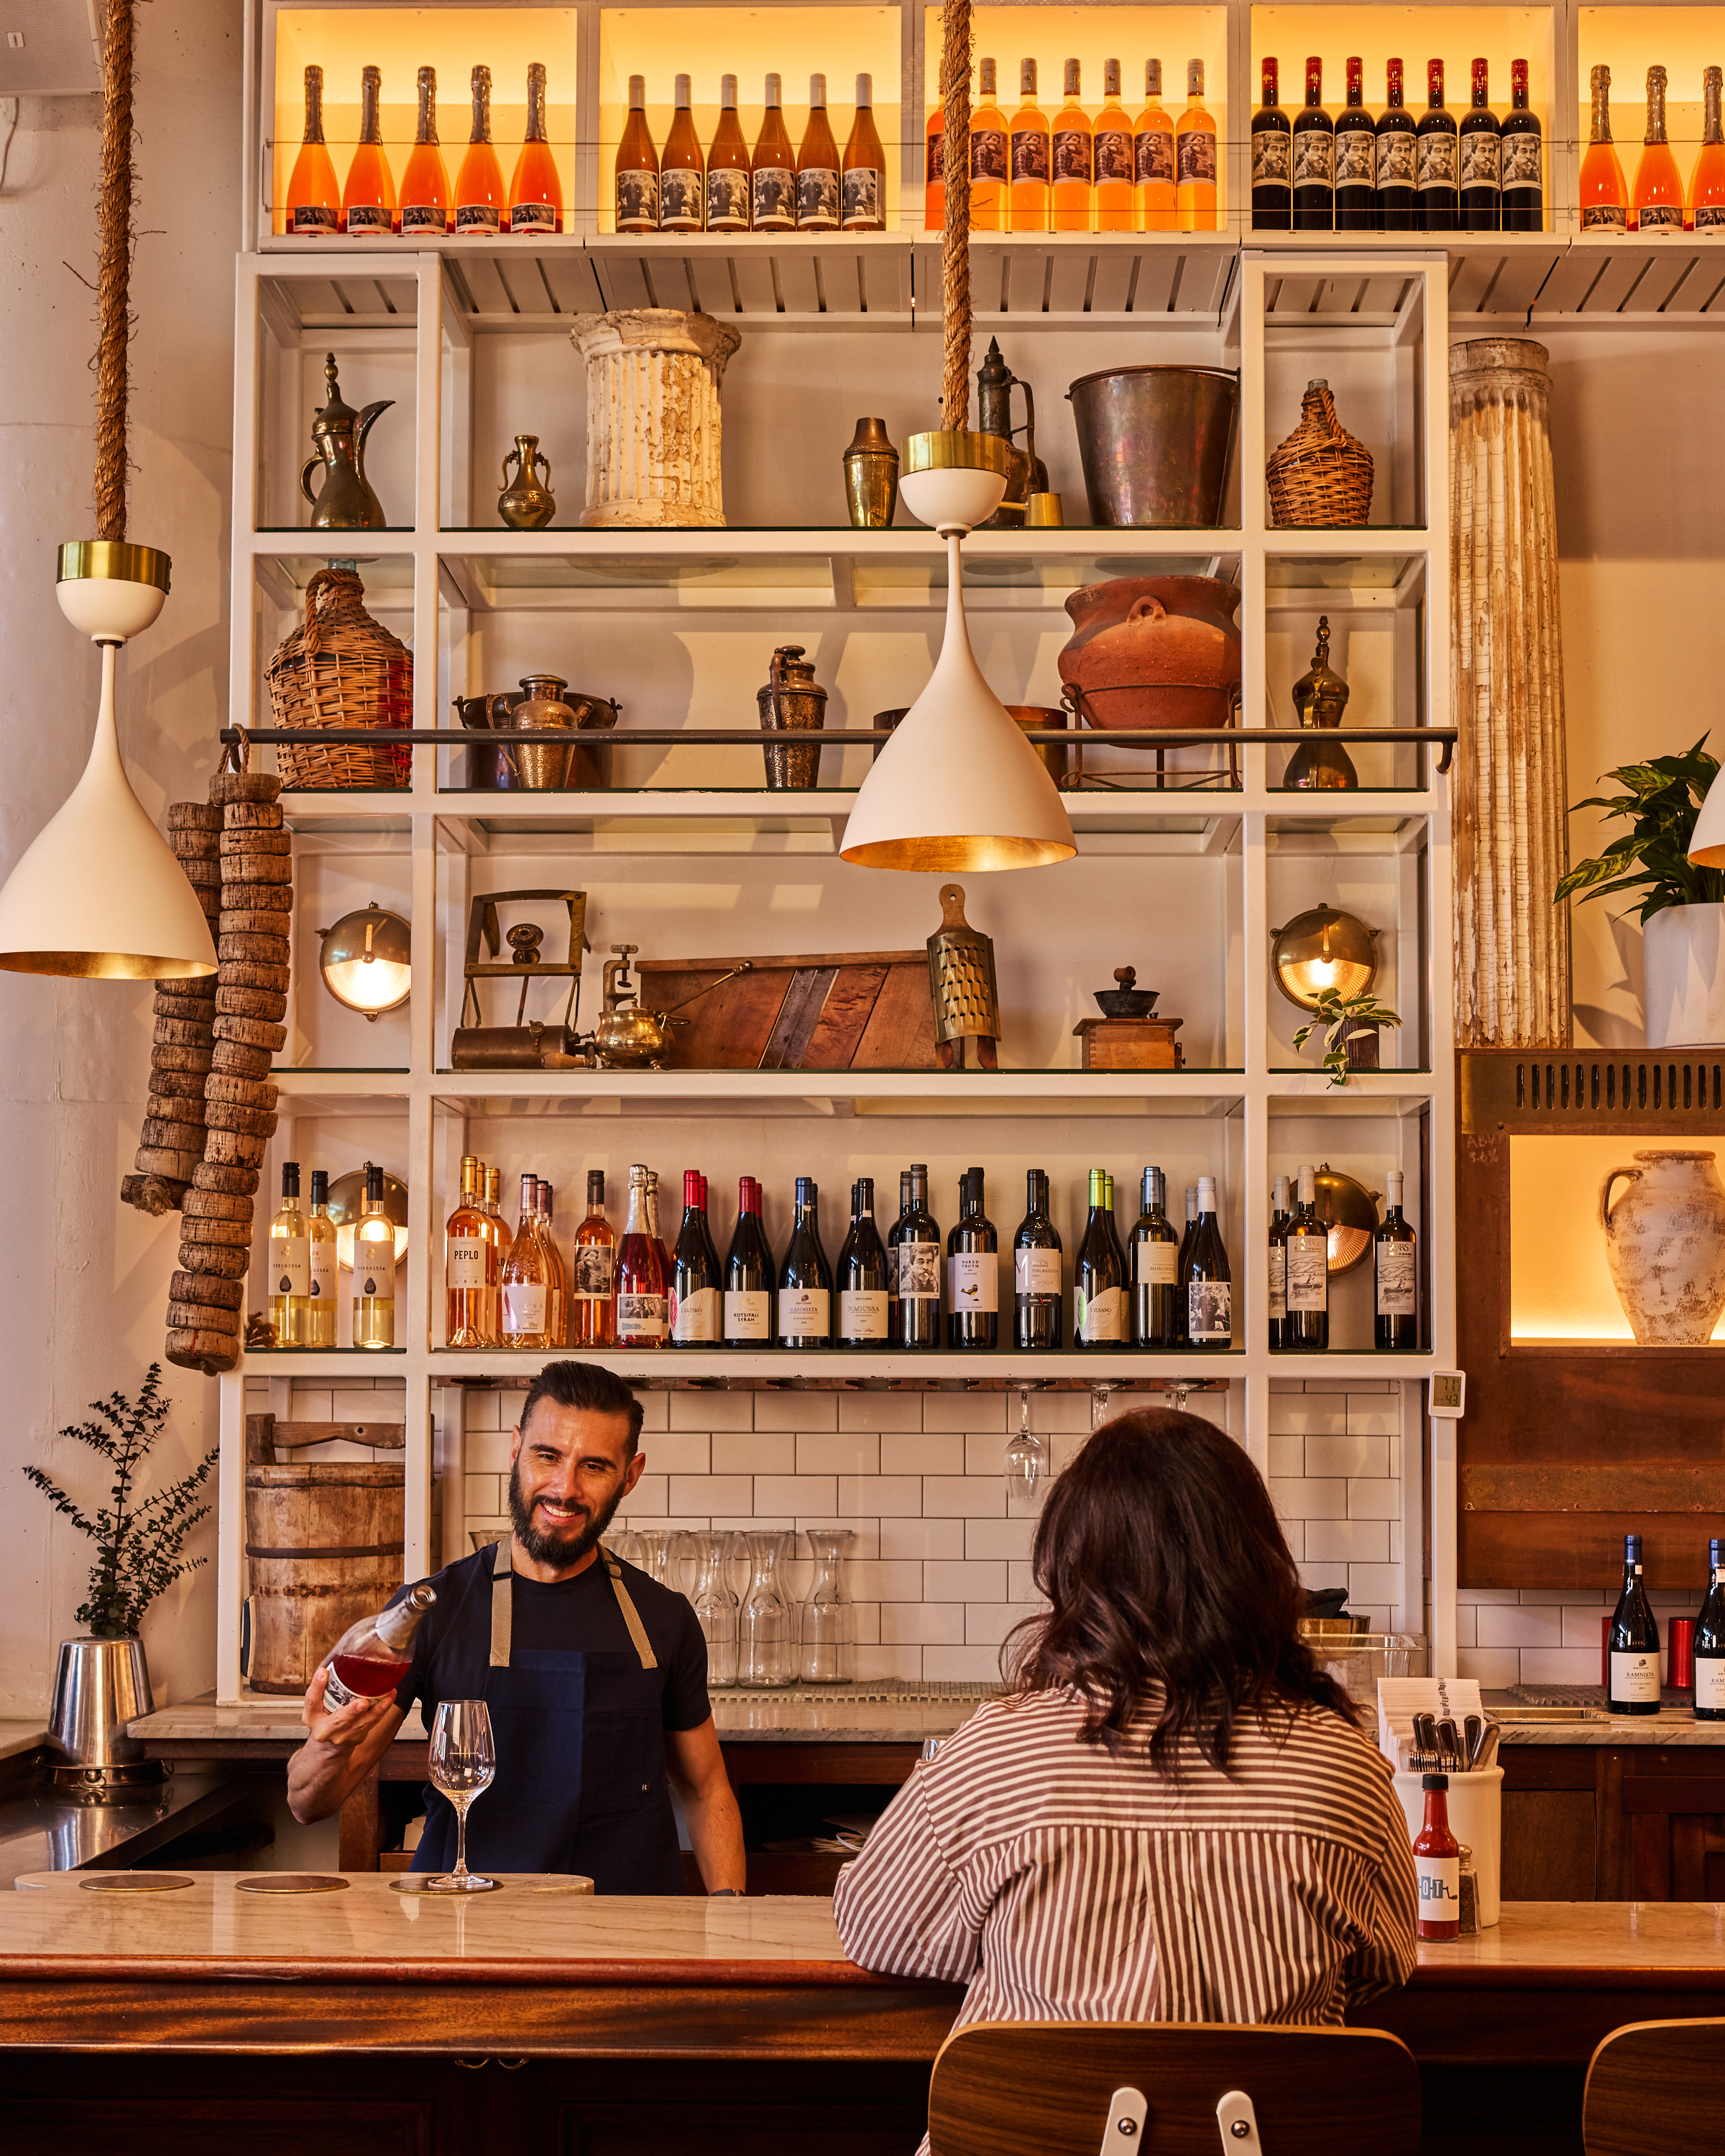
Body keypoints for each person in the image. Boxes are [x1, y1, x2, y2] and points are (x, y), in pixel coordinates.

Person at [835, 1408, 1416, 2052]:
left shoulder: (995, 1753)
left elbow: (877, 1930)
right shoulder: (1343, 1764)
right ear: (1255, 1563)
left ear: (1074, 1570)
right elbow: (1387, 1961)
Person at [288, 1359, 745, 1894]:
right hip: (465, 1929)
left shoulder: (662, 1618)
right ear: (515, 1448)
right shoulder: (428, 1612)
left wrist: (728, 1916)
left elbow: (706, 1788)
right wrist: (329, 1747)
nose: (564, 1488)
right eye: (546, 1456)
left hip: (626, 1930)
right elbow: (307, 1802)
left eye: (594, 1467)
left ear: (631, 1475)